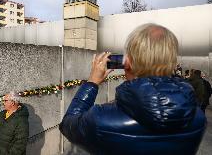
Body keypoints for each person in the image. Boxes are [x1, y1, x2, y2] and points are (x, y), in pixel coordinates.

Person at [59, 23, 206, 155]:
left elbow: (67, 125)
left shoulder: (101, 120)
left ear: (127, 62)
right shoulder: (197, 117)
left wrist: (92, 83)